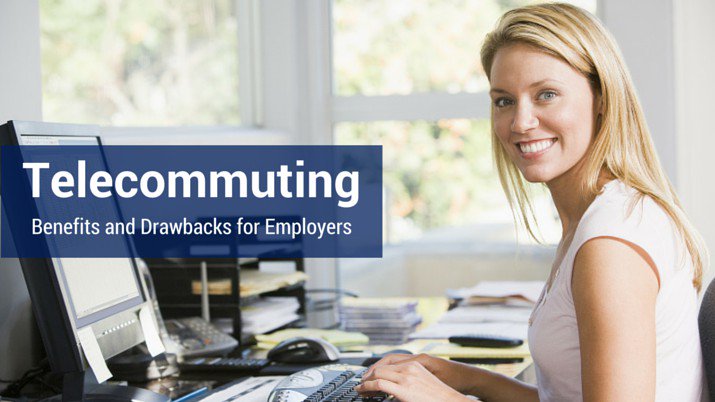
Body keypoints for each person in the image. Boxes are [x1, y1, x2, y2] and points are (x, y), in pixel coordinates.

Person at [354, 3, 708, 401]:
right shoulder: (606, 213)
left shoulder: (610, 246)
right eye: (504, 100)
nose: (520, 122)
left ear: (602, 97)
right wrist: (466, 378)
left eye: (547, 95)